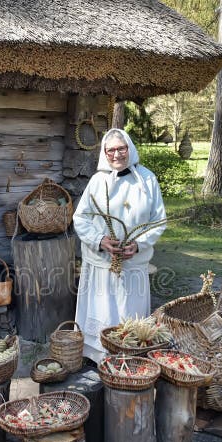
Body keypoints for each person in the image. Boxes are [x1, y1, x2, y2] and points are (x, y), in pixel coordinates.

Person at [73, 128, 167, 363]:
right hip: (102, 262)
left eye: (121, 148)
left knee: (129, 310)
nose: (116, 154)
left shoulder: (147, 179)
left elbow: (158, 221)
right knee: (101, 307)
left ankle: (130, 352)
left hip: (133, 262)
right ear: (104, 152)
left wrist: (139, 244)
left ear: (130, 149)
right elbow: (80, 217)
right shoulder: (98, 181)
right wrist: (100, 240)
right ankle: (98, 355)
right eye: (111, 150)